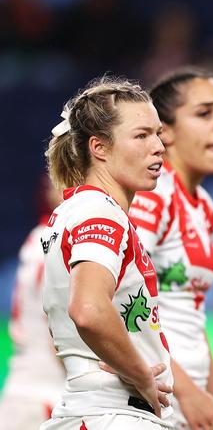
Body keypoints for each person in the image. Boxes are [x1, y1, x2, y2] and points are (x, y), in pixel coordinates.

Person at [40, 77, 174, 429]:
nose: (159, 146)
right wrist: (142, 375)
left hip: (88, 409)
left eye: (158, 134)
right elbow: (88, 309)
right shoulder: (100, 212)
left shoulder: (71, 211)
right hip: (114, 412)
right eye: (142, 135)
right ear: (99, 148)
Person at [129, 67, 213, 430]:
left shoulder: (204, 205)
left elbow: (193, 312)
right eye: (205, 113)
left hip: (189, 399)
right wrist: (186, 393)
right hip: (152, 397)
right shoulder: (154, 194)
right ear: (166, 132)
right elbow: (120, 299)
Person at [0, 176, 65, 429]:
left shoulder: (37, 236)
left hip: (23, 391)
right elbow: (60, 332)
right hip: (46, 395)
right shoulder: (62, 242)